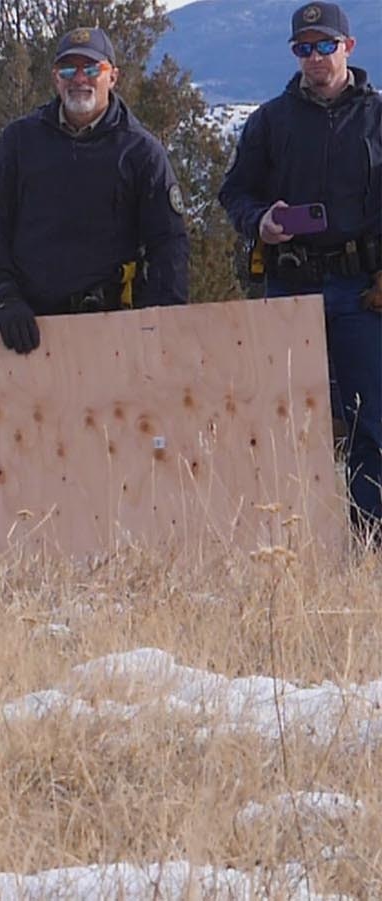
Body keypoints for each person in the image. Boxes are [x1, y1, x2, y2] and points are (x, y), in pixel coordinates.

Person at [219, 1, 382, 530]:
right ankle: (295, 538)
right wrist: (259, 221)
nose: (315, 58)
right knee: (287, 418)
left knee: (370, 420)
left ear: (348, 48)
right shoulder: (270, 121)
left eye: (325, 46)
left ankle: (369, 539)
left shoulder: (378, 116)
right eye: (304, 49)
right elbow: (235, 192)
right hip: (291, 288)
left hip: (363, 292)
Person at [0, 27, 189, 356]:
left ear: (112, 76)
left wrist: (156, 325)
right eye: (68, 70)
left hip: (112, 331)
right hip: (26, 330)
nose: (79, 79)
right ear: (56, 79)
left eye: (91, 69)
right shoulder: (19, 141)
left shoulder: (141, 151)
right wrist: (3, 297)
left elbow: (168, 243)